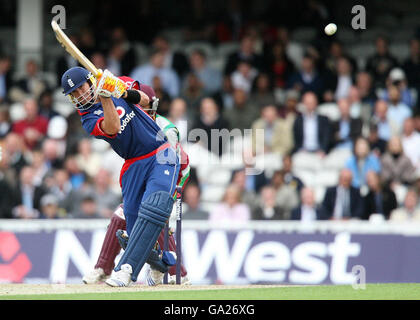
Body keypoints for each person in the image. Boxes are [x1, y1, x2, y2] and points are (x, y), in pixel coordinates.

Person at [61, 66, 180, 287]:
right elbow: (113, 126)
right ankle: (158, 264)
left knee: (154, 207)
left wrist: (119, 89)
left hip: (159, 153)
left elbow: (146, 100)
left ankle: (125, 269)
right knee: (134, 225)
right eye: (73, 94)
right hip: (133, 164)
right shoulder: (87, 117)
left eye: (81, 89)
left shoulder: (117, 81)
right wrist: (107, 96)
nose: (79, 96)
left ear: (90, 81)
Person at [82, 85, 191, 286]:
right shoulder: (130, 119)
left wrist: (172, 199)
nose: (145, 110)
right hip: (138, 173)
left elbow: (182, 164)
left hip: (166, 179)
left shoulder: (165, 127)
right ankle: (105, 267)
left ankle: (178, 272)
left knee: (153, 212)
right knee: (124, 215)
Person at [291, 91, 330, 155]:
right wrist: (299, 149)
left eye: (311, 103)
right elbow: (295, 139)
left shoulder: (324, 120)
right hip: (302, 152)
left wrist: (323, 150)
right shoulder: (298, 121)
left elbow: (327, 138)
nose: (309, 105)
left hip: (319, 152)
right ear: (303, 104)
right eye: (307, 103)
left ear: (316, 103)